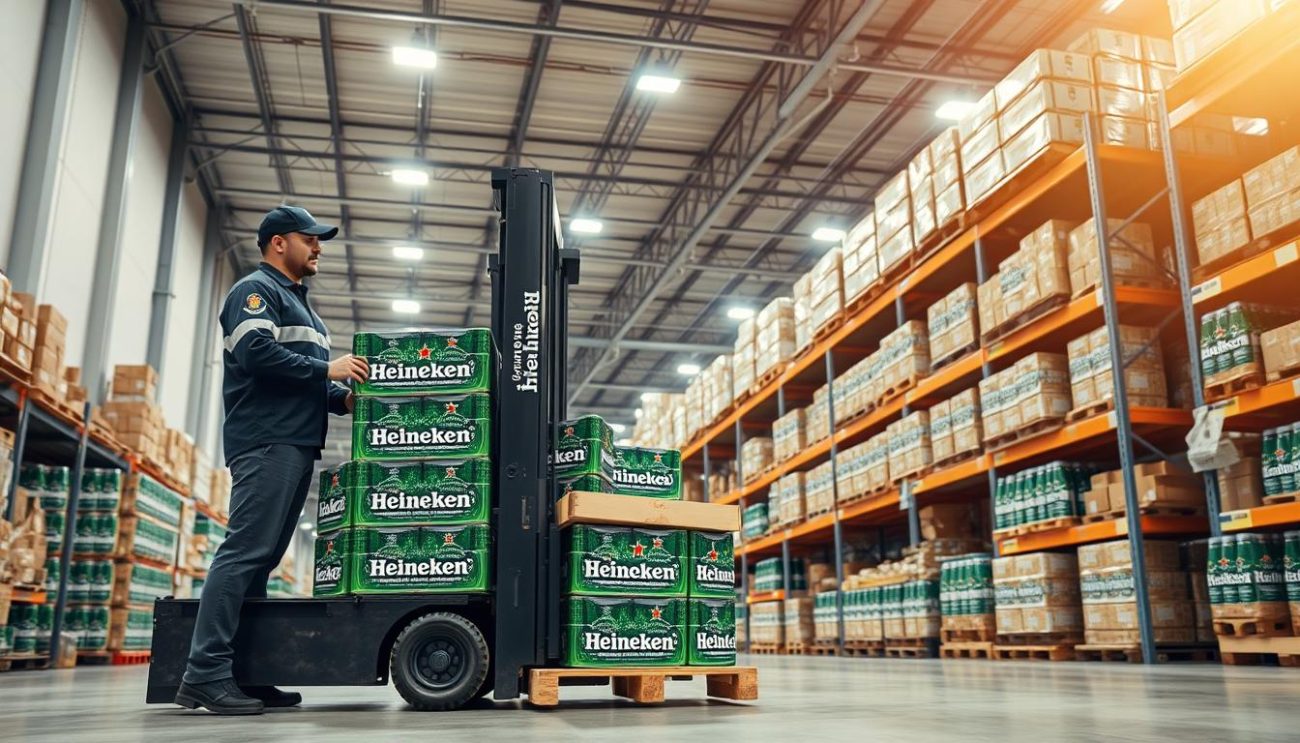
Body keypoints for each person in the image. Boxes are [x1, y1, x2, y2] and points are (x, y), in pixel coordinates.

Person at [174, 206, 369, 715]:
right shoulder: (255, 292)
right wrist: (327, 370)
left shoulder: (303, 308)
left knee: (261, 559)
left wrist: (341, 399)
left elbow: (302, 379)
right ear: (279, 243)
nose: (318, 247)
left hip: (295, 440)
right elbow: (256, 354)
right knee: (243, 553)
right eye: (310, 238)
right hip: (267, 439)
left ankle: (248, 671)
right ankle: (204, 674)